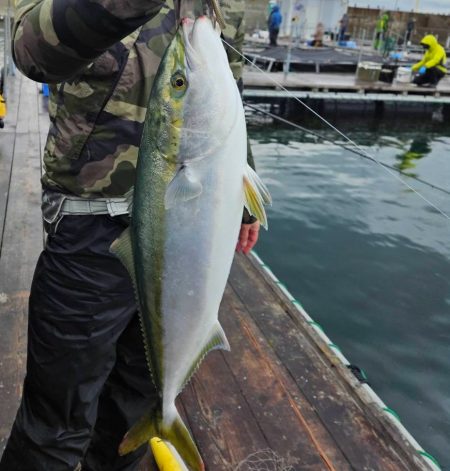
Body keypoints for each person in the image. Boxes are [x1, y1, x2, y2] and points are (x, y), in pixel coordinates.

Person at [0, 0, 261, 470]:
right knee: (54, 429)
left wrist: (245, 195)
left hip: (185, 233)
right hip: (89, 226)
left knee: (129, 416)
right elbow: (30, 51)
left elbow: (225, 92)